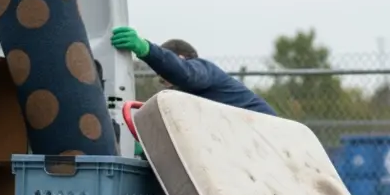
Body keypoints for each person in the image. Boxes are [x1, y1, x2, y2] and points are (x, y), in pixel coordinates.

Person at [111, 27, 277, 115]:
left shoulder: (203, 70)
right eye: (162, 81)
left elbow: (185, 74)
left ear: (182, 59)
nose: (167, 84)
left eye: (166, 77)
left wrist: (147, 50)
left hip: (270, 135)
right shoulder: (190, 100)